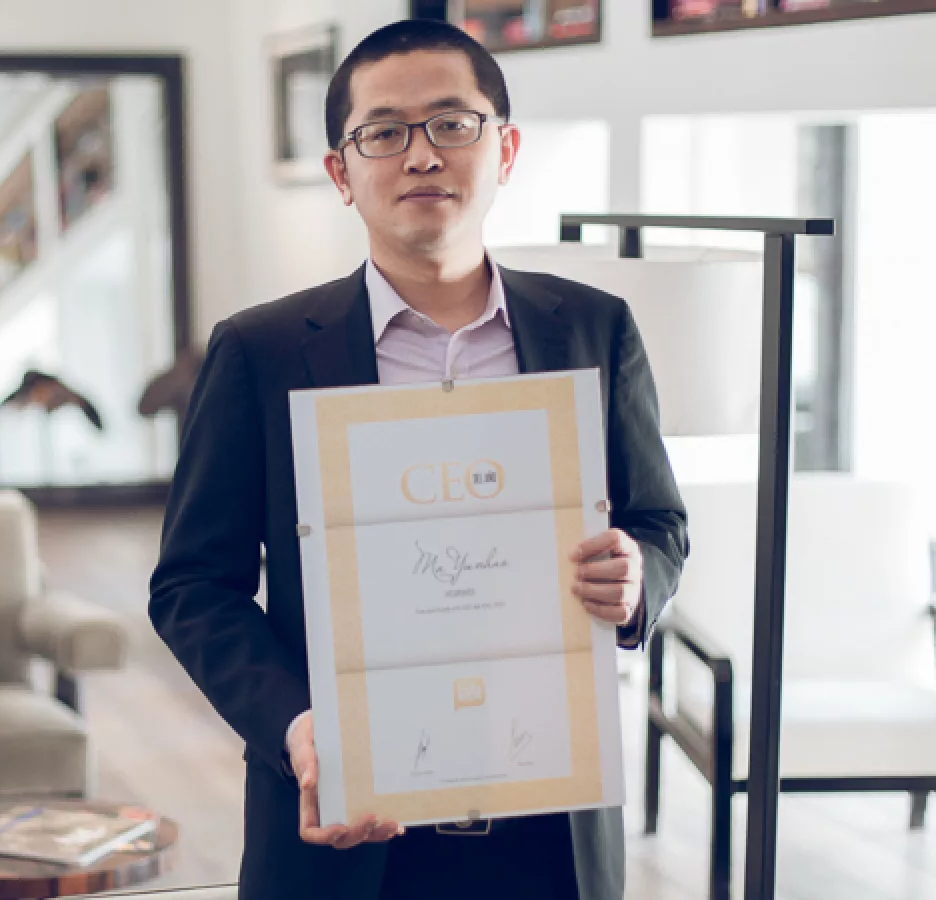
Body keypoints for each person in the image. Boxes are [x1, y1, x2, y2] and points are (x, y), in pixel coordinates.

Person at [149, 19, 688, 900]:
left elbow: (658, 522)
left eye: (452, 123)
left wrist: (636, 579)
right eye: (384, 132)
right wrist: (295, 725)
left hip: (551, 824)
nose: (423, 154)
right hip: (349, 828)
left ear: (505, 149)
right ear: (341, 173)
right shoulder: (261, 352)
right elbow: (192, 586)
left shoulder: (594, 329)